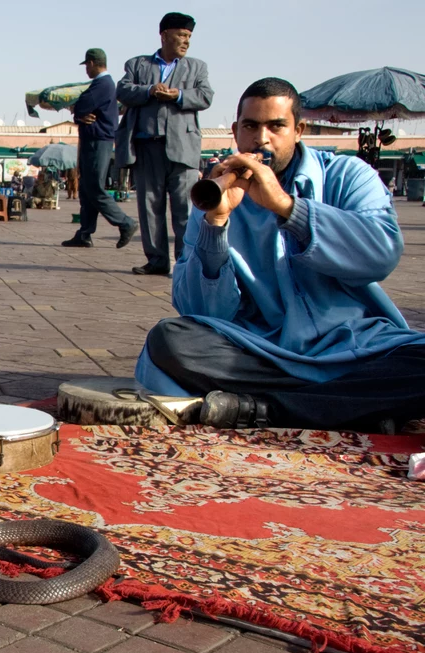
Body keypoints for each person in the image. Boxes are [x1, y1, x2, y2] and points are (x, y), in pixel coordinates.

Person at [135, 77, 425, 433]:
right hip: (262, 349)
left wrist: (287, 208)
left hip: (353, 344)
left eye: (276, 126)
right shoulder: (215, 195)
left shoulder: (348, 175)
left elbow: (382, 254)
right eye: (251, 126)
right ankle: (350, 405)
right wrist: (216, 223)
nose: (261, 139)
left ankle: (267, 409)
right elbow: (198, 309)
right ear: (235, 131)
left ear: (299, 130)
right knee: (170, 340)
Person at [116, 12, 213, 275]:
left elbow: (205, 97)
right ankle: (156, 261)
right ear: (164, 35)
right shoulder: (137, 64)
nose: (186, 41)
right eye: (182, 35)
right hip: (147, 146)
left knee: (185, 209)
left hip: (183, 148)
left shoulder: (197, 67)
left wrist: (178, 94)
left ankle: (185, 261)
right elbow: (123, 90)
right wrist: (149, 91)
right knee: (150, 208)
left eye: (189, 37)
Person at [64, 48, 140, 249]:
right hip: (94, 138)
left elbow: (82, 104)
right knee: (87, 188)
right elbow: (81, 110)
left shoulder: (102, 84)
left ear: (91, 63)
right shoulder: (102, 84)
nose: (86, 70)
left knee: (95, 187)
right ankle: (85, 232)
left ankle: (125, 222)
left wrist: (78, 112)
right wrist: (79, 115)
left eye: (87, 66)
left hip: (98, 140)